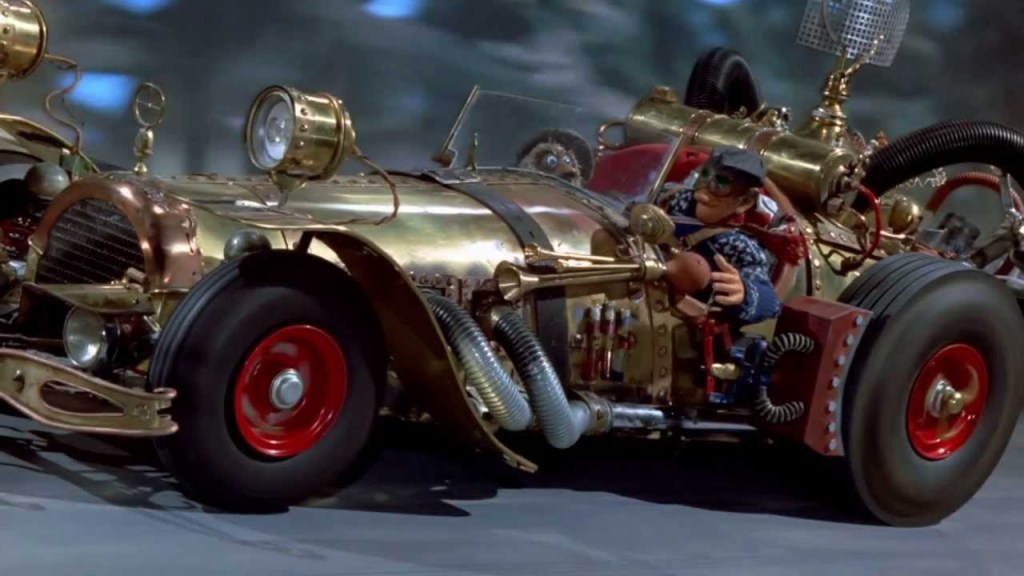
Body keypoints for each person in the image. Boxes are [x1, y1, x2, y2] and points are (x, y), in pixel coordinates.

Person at [657, 145, 781, 325]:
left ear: (745, 202)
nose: (702, 193)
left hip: (674, 316)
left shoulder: (737, 245)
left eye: (721, 183)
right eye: (705, 175)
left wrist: (744, 292)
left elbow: (770, 302)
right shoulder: (669, 199)